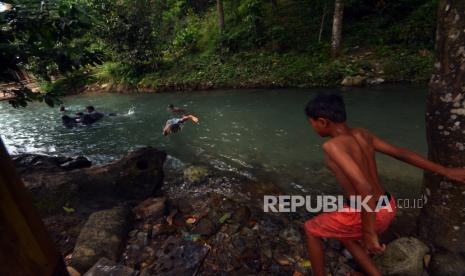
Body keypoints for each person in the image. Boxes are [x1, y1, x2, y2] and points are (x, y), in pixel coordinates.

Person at [303, 94, 465, 276]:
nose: (313, 127)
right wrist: (446, 171)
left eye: (312, 123)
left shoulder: (332, 146)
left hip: (367, 211)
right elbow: (401, 153)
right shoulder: (362, 134)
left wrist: (369, 232)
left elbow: (365, 188)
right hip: (388, 205)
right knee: (345, 236)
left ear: (323, 122)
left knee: (310, 229)